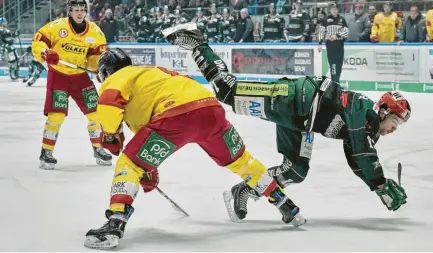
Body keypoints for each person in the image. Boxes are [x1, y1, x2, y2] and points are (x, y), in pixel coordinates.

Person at [163, 22, 409, 222]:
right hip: (291, 98)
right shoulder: (364, 110)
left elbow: (356, 158)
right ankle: (197, 41)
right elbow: (362, 150)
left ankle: (244, 190)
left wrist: (377, 186)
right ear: (384, 110)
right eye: (395, 122)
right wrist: (380, 183)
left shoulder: (368, 131)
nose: (395, 129)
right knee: (227, 90)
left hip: (303, 123)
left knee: (295, 171)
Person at [83, 48, 307, 250]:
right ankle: (285, 205)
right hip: (211, 110)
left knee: (128, 164)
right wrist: (147, 168)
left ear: (106, 71)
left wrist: (110, 134)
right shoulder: (153, 74)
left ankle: (115, 223)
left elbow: (109, 102)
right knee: (243, 162)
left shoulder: (119, 76)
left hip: (176, 116)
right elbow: (146, 137)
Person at [31, 0, 112, 170]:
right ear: (69, 11)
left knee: (95, 113)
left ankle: (98, 148)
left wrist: (97, 67)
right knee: (57, 115)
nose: (80, 13)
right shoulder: (56, 27)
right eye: (76, 10)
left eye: (82, 9)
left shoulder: (96, 32)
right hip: (58, 75)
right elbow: (38, 42)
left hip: (80, 77)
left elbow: (95, 58)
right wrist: (46, 53)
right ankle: (46, 151)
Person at [317, 3, 348, 83]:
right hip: (331, 46)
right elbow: (321, 31)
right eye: (332, 9)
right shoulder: (325, 19)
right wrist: (319, 43)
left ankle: (336, 82)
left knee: (339, 65)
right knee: (333, 65)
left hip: (340, 45)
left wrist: (336, 35)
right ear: (330, 10)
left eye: (336, 9)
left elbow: (346, 32)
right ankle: (335, 83)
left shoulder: (342, 19)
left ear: (338, 10)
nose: (334, 11)